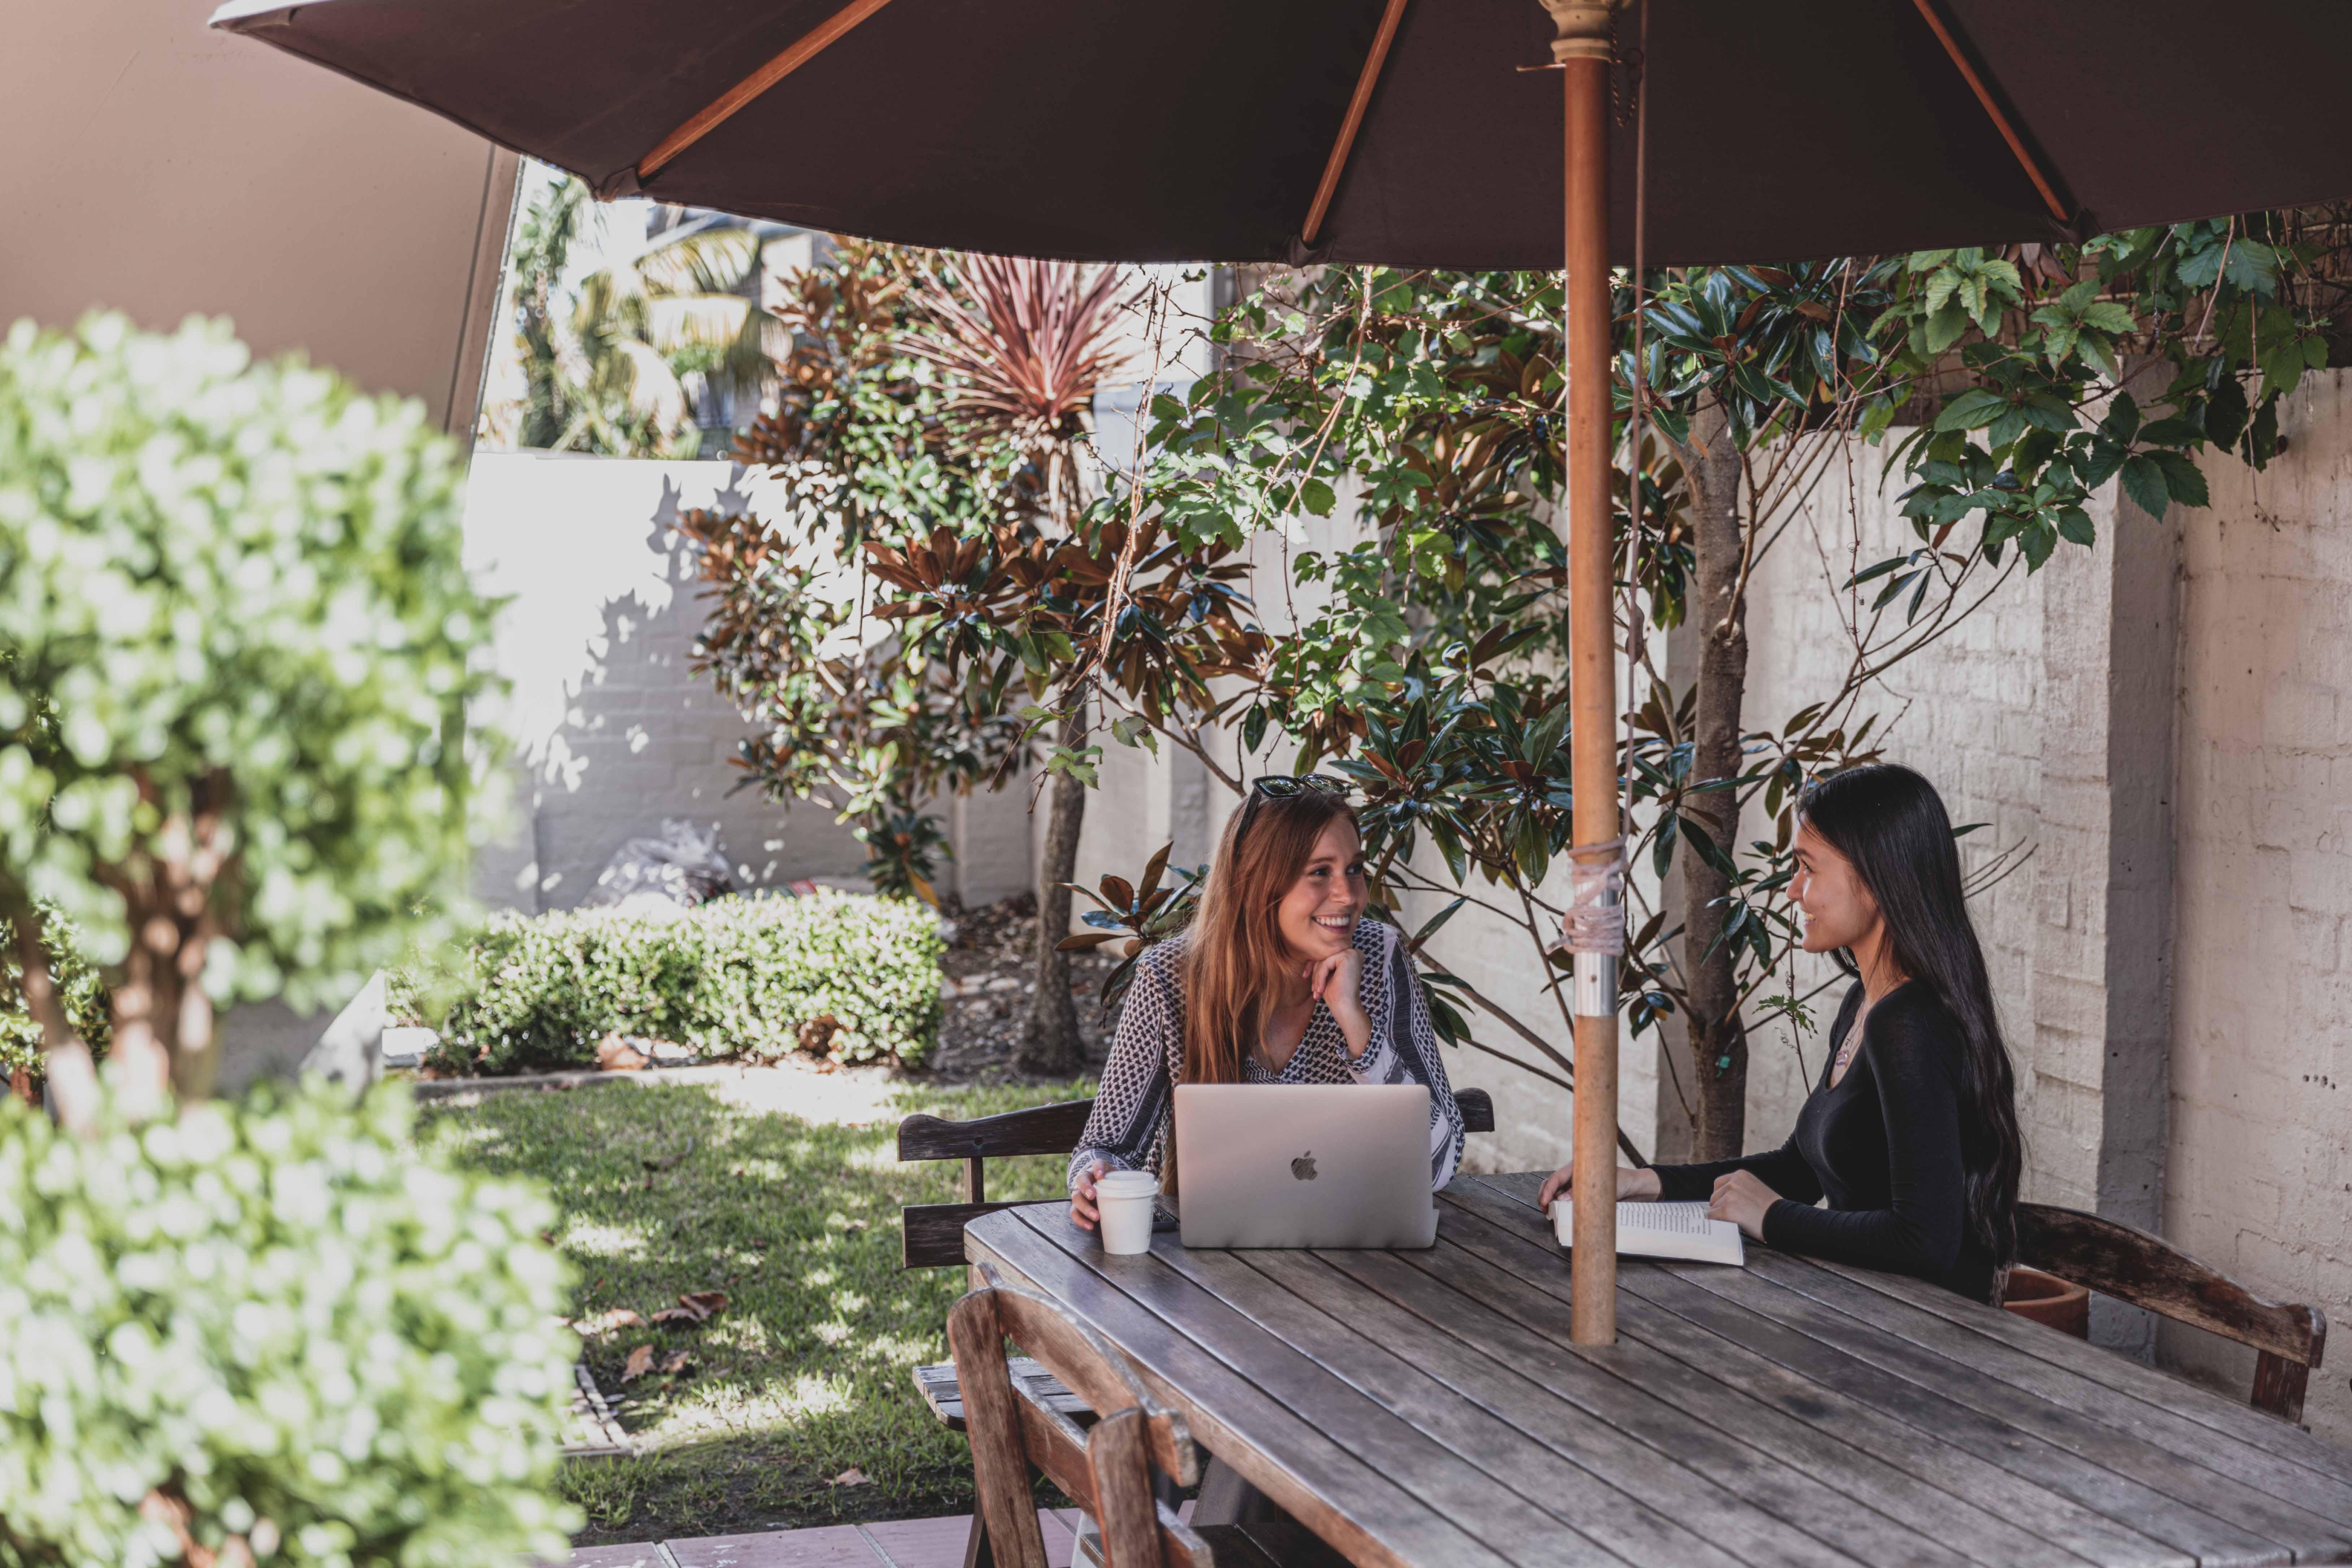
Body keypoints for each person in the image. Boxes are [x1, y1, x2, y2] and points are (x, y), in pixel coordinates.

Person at [1539, 762, 2023, 1302]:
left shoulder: (1910, 1024)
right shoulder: (1866, 1003)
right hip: (1866, 1307)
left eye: (1808, 869)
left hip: (1928, 1335)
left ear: (1877, 879)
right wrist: (1641, 1182)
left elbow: (1925, 1241)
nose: (1792, 891)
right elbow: (1800, 1169)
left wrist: (1771, 1218)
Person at [1068, 776, 1465, 1229]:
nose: (1350, 896)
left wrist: (1355, 1023)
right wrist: (1094, 1181)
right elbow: (1107, 1147)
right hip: (1203, 1273)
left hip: (1358, 1267)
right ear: (1255, 883)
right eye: (1320, 872)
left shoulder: (1378, 957)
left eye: (1355, 869)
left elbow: (1440, 1163)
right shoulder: (1170, 976)